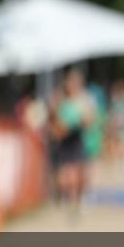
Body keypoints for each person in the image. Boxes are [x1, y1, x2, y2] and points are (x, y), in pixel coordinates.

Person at [48, 69, 96, 211]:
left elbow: (89, 120)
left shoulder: (83, 100)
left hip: (78, 139)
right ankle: (68, 197)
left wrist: (79, 123)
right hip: (64, 140)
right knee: (66, 173)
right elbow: (54, 121)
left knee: (79, 172)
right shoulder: (61, 99)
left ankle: (77, 198)